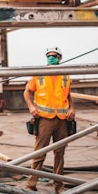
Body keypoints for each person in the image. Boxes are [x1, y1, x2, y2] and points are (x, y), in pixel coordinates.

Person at [23, 46, 75, 193]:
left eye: (54, 55)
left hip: (63, 119)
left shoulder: (65, 75)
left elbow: (68, 95)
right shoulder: (39, 74)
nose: (51, 57)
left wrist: (72, 108)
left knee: (59, 153)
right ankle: (31, 185)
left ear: (60, 58)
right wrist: (31, 107)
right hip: (44, 119)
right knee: (39, 153)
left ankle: (59, 186)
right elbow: (26, 92)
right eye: (49, 55)